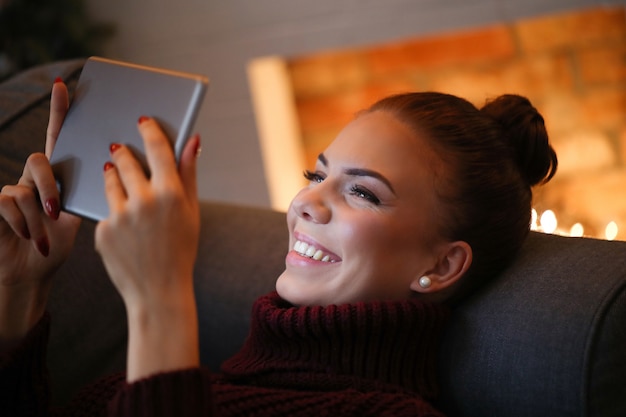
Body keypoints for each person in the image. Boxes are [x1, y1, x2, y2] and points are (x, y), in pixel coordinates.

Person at [0, 77, 557, 416]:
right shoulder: (223, 382)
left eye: (362, 192)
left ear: (441, 264)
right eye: (316, 175)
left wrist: (160, 296)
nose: (306, 204)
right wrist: (22, 292)